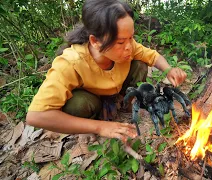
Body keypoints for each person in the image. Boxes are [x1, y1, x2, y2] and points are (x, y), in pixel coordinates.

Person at [26, 0, 187, 143]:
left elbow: (152, 56)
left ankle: (125, 103)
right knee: (77, 104)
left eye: (131, 38)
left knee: (140, 63)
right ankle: (88, 125)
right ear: (95, 41)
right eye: (120, 42)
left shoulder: (128, 46)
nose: (129, 47)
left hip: (116, 90)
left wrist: (169, 69)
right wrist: (100, 127)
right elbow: (36, 115)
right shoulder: (70, 63)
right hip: (91, 99)